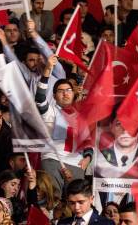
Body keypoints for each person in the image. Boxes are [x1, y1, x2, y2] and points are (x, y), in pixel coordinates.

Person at [35, 62, 93, 191]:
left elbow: (88, 142)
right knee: (51, 200)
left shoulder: (81, 117)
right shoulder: (49, 111)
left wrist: (88, 158)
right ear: (54, 96)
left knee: (75, 204)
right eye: (60, 91)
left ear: (73, 94)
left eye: (68, 90)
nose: (65, 93)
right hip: (52, 160)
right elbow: (39, 97)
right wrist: (47, 71)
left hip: (76, 164)